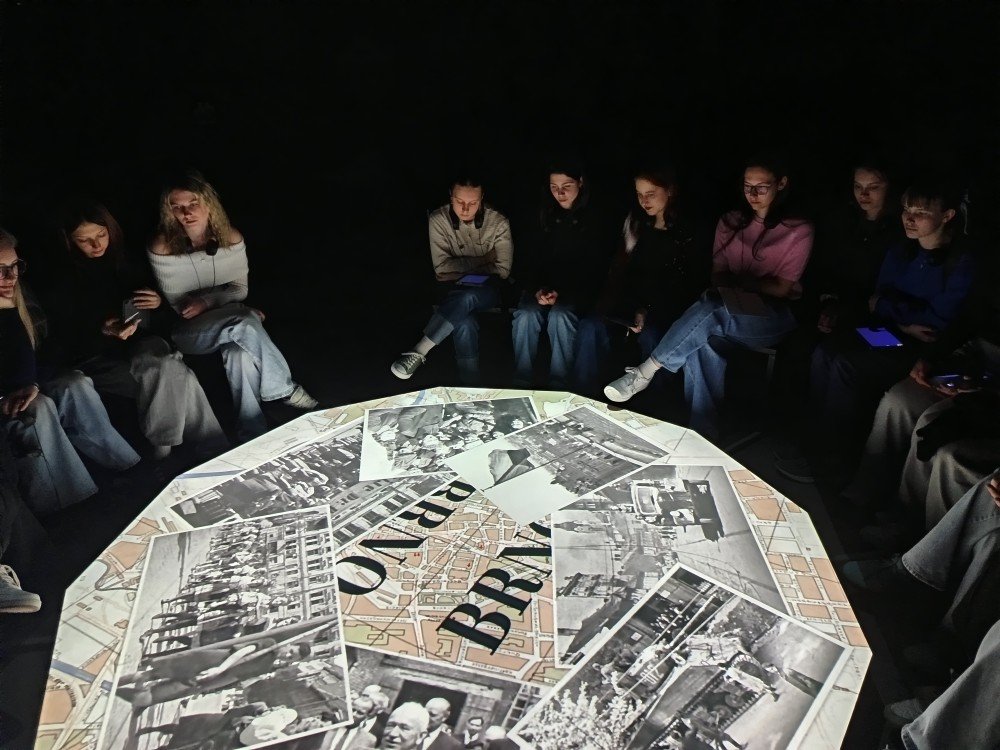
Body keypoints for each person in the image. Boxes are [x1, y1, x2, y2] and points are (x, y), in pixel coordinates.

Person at [778, 176, 975, 482]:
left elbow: (935, 321)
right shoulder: (901, 250)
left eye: (921, 213)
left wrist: (890, 309)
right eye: (906, 210)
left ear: (947, 215)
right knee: (825, 352)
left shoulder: (959, 263)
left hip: (915, 347)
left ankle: (833, 459)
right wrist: (901, 317)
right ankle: (814, 441)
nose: (909, 218)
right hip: (890, 332)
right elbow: (876, 298)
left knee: (847, 364)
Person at [603, 154, 813, 441]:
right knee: (703, 342)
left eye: (761, 187)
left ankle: (644, 373)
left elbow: (782, 289)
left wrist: (740, 284)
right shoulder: (731, 221)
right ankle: (702, 431)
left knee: (713, 308)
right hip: (730, 305)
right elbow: (718, 274)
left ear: (781, 184)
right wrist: (743, 285)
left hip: (772, 316)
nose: (752, 194)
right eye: (747, 186)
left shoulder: (798, 229)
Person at [40, 199, 228, 460]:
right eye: (85, 240)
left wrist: (158, 304)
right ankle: (201, 448)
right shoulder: (61, 280)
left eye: (101, 234)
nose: (97, 244)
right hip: (99, 359)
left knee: (162, 362)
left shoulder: (128, 260)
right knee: (177, 374)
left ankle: (169, 448)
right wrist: (104, 330)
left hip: (143, 345)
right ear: (69, 241)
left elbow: (166, 319)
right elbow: (64, 339)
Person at [148, 170, 317, 440]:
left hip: (230, 321)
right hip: (189, 332)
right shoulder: (163, 246)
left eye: (193, 203)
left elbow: (240, 289)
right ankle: (283, 389)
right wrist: (237, 309)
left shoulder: (230, 237)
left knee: (239, 354)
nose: (186, 212)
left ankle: (251, 428)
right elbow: (182, 307)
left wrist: (207, 300)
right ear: (169, 211)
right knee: (243, 321)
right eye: (177, 207)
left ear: (208, 203)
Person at [842, 285, 1000, 539]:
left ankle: (913, 534)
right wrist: (933, 358)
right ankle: (866, 498)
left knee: (935, 432)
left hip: (989, 392)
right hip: (978, 356)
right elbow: (972, 315)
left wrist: (982, 389)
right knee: (900, 402)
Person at [0, 228, 140, 514]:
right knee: (37, 409)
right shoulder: (7, 303)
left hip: (26, 380)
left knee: (73, 384)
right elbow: (13, 377)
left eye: (14, 266)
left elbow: (46, 350)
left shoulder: (19, 296)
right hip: (6, 395)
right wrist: (8, 313)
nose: (10, 277)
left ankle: (128, 468)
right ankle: (71, 506)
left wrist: (33, 382)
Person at [575, 165, 706, 396]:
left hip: (664, 311)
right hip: (630, 306)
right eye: (639, 194)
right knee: (590, 327)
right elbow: (623, 273)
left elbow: (682, 285)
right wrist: (628, 307)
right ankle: (583, 394)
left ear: (670, 191)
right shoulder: (637, 226)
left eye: (650, 194)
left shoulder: (685, 233)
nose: (644, 201)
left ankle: (655, 403)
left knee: (652, 335)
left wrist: (647, 310)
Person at [390, 175, 513, 384]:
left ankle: (420, 350)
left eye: (473, 203)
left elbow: (502, 270)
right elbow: (441, 268)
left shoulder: (498, 221)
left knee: (468, 297)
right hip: (452, 289)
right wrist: (484, 260)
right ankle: (469, 382)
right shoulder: (438, 219)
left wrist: (459, 271)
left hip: (486, 290)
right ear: (451, 197)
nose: (465, 209)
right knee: (463, 320)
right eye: (459, 201)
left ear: (482, 199)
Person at [510, 164, 616, 388]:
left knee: (561, 316)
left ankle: (559, 383)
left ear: (580, 183)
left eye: (566, 186)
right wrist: (537, 289)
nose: (560, 193)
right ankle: (521, 379)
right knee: (525, 315)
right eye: (554, 187)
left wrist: (564, 293)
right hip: (542, 289)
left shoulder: (595, 219)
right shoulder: (542, 214)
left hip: (577, 292)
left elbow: (595, 268)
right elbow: (528, 259)